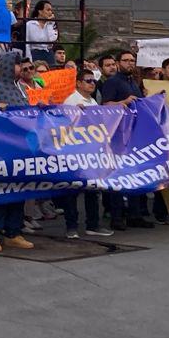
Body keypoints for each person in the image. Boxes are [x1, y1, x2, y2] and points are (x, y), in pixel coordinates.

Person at [0, 52, 36, 252]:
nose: (21, 69)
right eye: (18, 65)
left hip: (20, 149)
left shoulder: (21, 91)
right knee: (1, 191)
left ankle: (13, 231)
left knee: (19, 191)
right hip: (0, 150)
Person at [59, 71, 111, 238]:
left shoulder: (93, 101)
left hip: (90, 152)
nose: (92, 83)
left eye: (93, 80)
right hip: (74, 152)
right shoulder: (72, 100)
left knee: (92, 190)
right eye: (88, 81)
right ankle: (71, 226)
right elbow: (63, 124)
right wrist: (74, 112)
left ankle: (93, 224)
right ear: (79, 83)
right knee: (72, 191)